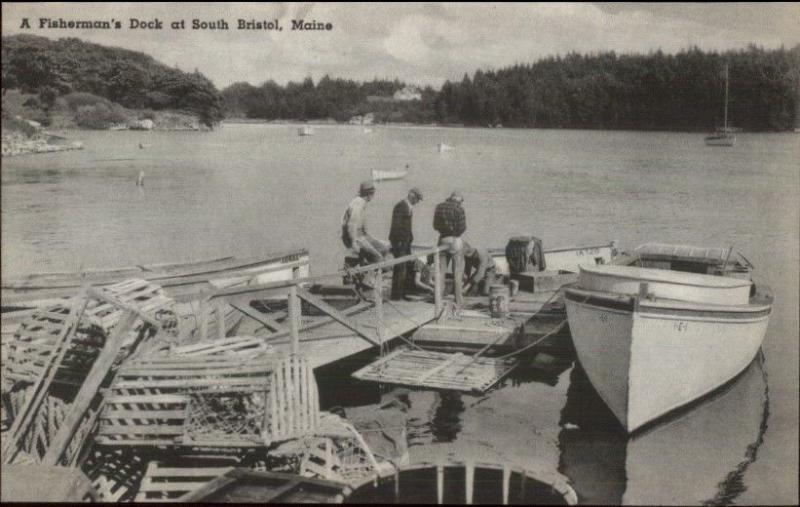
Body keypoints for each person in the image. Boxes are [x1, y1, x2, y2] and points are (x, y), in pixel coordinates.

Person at [342, 180, 390, 265]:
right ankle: (368, 273)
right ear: (369, 194)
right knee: (377, 258)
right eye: (373, 193)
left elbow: (363, 230)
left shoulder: (362, 202)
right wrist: (353, 243)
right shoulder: (358, 204)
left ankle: (367, 265)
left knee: (384, 248)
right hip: (355, 238)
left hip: (362, 236)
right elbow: (351, 225)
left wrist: (375, 240)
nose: (373, 196)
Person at [433, 191, 466, 306]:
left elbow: (435, 225)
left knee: (440, 271)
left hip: (442, 239)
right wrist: (455, 234)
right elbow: (462, 227)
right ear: (459, 200)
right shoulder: (459, 209)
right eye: (461, 202)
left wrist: (444, 232)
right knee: (457, 272)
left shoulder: (439, 207)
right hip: (455, 240)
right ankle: (458, 299)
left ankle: (438, 298)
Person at [389, 187, 423, 300]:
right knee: (400, 269)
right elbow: (396, 226)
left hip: (406, 243)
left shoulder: (408, 207)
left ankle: (402, 293)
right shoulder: (401, 206)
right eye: (417, 199)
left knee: (405, 268)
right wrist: (398, 243)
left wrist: (409, 239)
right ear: (412, 195)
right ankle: (397, 296)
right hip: (400, 243)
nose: (417, 201)